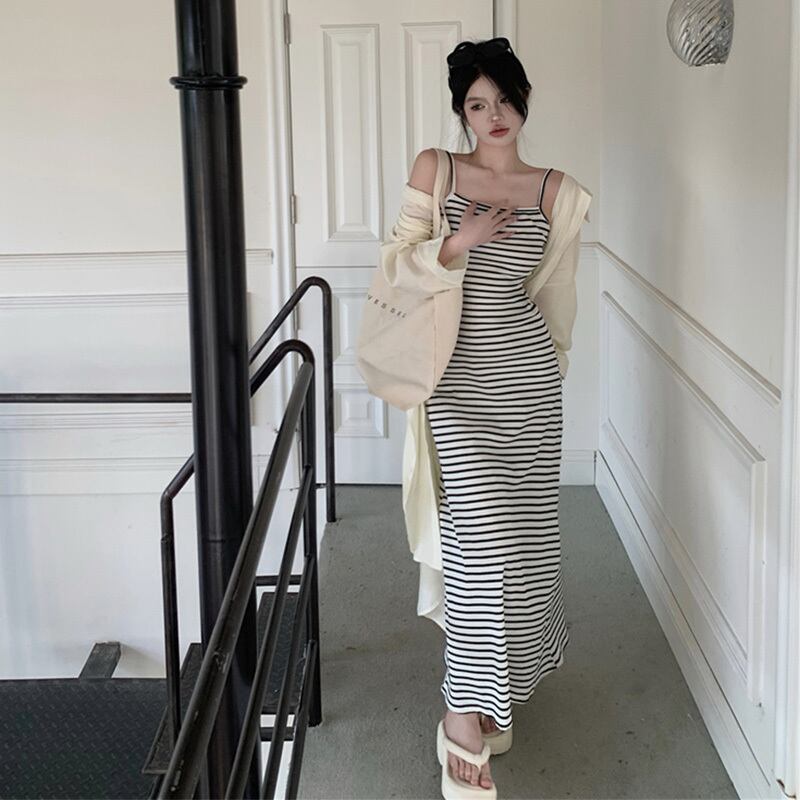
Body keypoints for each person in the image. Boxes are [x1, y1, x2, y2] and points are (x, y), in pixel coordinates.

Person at [406, 38, 572, 797]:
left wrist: (551, 374)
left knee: (525, 546)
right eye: (477, 104)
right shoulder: (437, 170)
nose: (494, 115)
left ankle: (491, 701)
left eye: (504, 99)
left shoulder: (555, 189)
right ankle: (460, 717)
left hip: (529, 384)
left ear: (522, 100)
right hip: (457, 384)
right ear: (461, 112)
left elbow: (554, 294)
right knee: (479, 548)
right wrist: (459, 241)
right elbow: (395, 264)